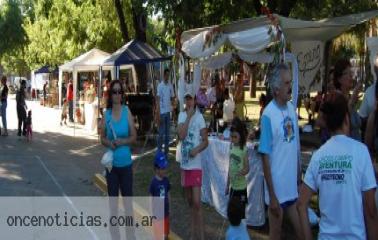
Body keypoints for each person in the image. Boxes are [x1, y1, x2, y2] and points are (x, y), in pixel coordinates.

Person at [297, 92, 378, 240]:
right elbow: (370, 209)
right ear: (347, 119)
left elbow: (301, 204)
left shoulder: (319, 156)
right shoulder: (361, 152)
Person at [258, 64, 302, 239]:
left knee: (302, 230)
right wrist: (272, 195)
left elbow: (295, 145)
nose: (289, 86)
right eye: (285, 83)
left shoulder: (292, 108)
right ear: (276, 89)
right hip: (276, 189)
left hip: (291, 185)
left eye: (290, 82)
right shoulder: (268, 115)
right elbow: (265, 157)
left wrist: (299, 175)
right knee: (275, 234)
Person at [177, 90, 208, 240]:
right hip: (185, 165)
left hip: (196, 165)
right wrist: (188, 117)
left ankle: (200, 236)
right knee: (190, 202)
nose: (189, 102)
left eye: (191, 99)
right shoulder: (181, 116)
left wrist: (196, 149)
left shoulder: (201, 117)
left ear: (195, 100)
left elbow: (205, 141)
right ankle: (192, 233)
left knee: (197, 202)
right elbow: (181, 136)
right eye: (186, 99)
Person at [100, 79, 137, 196]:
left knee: (128, 204)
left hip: (126, 164)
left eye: (119, 92)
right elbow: (102, 138)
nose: (117, 95)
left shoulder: (127, 111)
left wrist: (123, 141)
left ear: (122, 94)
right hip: (111, 166)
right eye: (114, 92)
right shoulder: (106, 114)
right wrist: (109, 143)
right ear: (110, 94)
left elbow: (134, 136)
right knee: (113, 205)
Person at [225, 117, 249, 219]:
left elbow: (247, 168)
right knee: (232, 211)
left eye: (235, 137)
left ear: (241, 136)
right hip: (233, 187)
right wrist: (227, 185)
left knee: (241, 212)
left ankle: (241, 229)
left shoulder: (243, 150)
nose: (232, 139)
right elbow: (230, 169)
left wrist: (242, 172)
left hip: (241, 188)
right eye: (231, 137)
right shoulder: (231, 148)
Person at [333, 58, 362, 141]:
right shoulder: (336, 98)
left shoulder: (348, 97)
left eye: (351, 72)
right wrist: (352, 100)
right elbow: (341, 122)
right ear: (339, 79)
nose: (351, 76)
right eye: (347, 73)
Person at [149, 151, 171, 240]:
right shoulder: (153, 182)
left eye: (165, 167)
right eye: (162, 168)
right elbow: (150, 197)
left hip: (165, 213)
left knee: (165, 234)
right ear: (156, 169)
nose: (165, 170)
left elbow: (168, 193)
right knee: (158, 235)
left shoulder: (166, 180)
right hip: (157, 214)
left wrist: (170, 207)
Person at [156, 69, 175, 157]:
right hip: (162, 112)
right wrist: (158, 113)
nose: (167, 77)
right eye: (166, 75)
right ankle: (159, 151)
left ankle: (166, 152)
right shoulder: (160, 86)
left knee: (167, 134)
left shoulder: (170, 85)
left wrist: (173, 109)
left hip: (168, 112)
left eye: (168, 75)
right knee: (161, 133)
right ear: (164, 75)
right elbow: (158, 100)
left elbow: (172, 98)